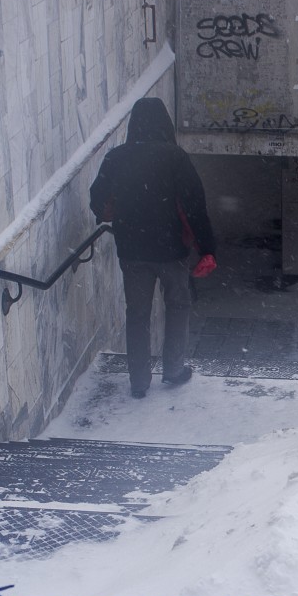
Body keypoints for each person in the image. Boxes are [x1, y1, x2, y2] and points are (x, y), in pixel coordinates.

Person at [90, 97, 217, 399]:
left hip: (132, 251)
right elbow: (195, 205)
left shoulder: (116, 157)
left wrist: (115, 213)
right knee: (178, 306)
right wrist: (207, 247)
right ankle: (173, 369)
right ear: (165, 123)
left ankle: (138, 381)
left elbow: (98, 199)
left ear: (134, 124)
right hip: (171, 250)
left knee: (137, 314)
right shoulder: (175, 157)